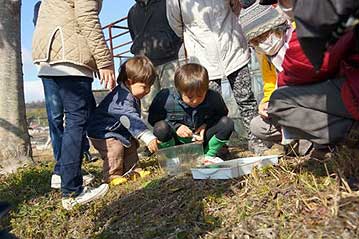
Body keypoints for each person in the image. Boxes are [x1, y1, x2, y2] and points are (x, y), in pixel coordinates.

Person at [32, 0, 115, 210]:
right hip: (68, 56)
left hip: (49, 56)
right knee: (77, 120)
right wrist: (104, 60)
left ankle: (62, 173)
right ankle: (72, 191)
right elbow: (88, 19)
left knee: (74, 118)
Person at [166, 0, 259, 152]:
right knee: (207, 108)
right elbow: (176, 23)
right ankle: (219, 147)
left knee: (246, 99)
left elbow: (236, 7)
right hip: (202, 57)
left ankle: (257, 141)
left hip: (232, 46)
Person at [87, 56, 159, 186]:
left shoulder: (132, 96)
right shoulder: (121, 98)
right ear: (129, 81)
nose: (147, 91)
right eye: (144, 86)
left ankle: (133, 170)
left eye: (150, 87)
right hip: (103, 132)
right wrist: (147, 136)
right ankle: (112, 175)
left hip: (118, 131)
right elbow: (130, 118)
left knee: (131, 146)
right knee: (115, 148)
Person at [148, 63, 234, 164]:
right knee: (160, 128)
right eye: (190, 97)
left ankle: (209, 155)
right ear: (179, 90)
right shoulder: (165, 98)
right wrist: (176, 127)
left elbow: (221, 115)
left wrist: (206, 125)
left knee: (227, 123)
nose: (195, 101)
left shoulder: (213, 97)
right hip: (176, 140)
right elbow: (153, 119)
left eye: (200, 96)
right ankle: (172, 158)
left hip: (201, 138)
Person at [127, 0, 182, 121]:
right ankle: (150, 137)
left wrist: (171, 44)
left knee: (173, 101)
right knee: (147, 106)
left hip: (169, 60)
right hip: (145, 65)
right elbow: (134, 35)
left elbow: (178, 27)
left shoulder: (167, 4)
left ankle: (176, 135)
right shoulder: (132, 12)